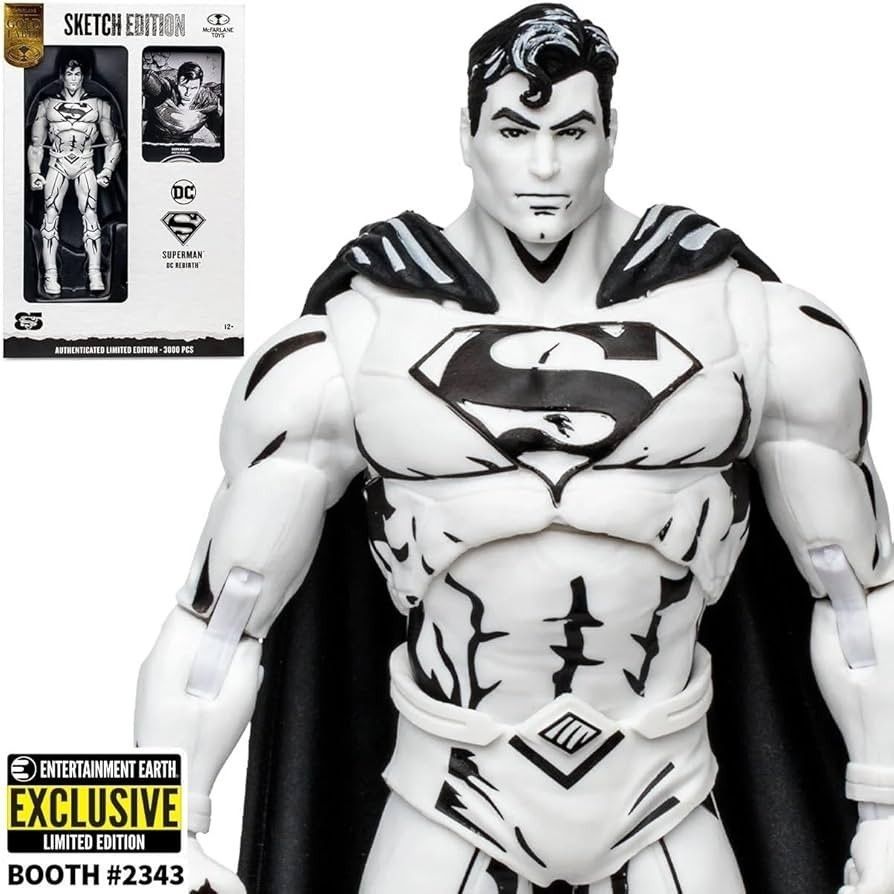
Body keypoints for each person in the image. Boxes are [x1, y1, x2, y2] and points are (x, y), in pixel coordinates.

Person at [135, 6, 894, 893]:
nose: (543, 167)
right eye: (513, 130)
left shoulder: (751, 327)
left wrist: (886, 815)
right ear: (465, 133)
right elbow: (222, 617)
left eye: (571, 132)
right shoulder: (356, 340)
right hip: (447, 801)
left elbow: (858, 601)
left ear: (612, 132)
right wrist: (156, 836)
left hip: (665, 799)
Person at [28, 55, 120, 295]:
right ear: (62, 75)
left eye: (77, 74)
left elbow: (113, 142)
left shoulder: (99, 104)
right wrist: (34, 172)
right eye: (69, 73)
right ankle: (50, 276)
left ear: (83, 76)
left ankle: (95, 274)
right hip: (57, 162)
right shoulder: (47, 104)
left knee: (91, 217)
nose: (73, 79)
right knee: (50, 218)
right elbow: (36, 143)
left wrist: (107, 169)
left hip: (85, 163)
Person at [142, 59, 222, 146]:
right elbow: (147, 77)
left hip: (183, 144)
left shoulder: (207, 99)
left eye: (194, 88)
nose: (188, 93)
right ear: (177, 82)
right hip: (152, 141)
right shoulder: (166, 89)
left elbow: (217, 128)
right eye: (183, 86)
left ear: (200, 86)